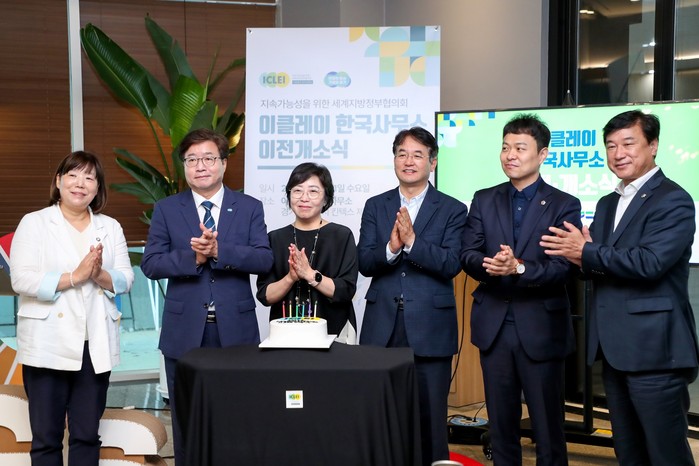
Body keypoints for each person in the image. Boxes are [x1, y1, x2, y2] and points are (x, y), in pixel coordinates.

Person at [540, 110, 699, 465]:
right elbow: (601, 264)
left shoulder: (673, 199)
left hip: (655, 351)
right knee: (628, 451)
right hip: (615, 350)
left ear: (653, 145)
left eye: (628, 143)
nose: (618, 153)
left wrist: (586, 252)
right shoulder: (608, 202)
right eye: (611, 146)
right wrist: (579, 258)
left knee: (666, 453)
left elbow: (650, 263)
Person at [141, 128, 273, 466]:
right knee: (187, 418)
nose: (200, 166)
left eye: (208, 158)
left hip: (235, 330)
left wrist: (218, 251)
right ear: (184, 166)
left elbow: (264, 259)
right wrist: (194, 258)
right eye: (192, 160)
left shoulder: (248, 207)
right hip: (185, 331)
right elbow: (151, 264)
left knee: (236, 413)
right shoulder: (167, 209)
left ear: (224, 163)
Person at [460, 114, 582, 465]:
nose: (510, 155)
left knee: (547, 427)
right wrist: (492, 265)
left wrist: (520, 268)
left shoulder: (564, 204)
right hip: (494, 325)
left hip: (541, 325)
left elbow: (564, 268)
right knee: (501, 426)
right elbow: (468, 253)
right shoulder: (484, 199)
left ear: (542, 154)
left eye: (520, 148)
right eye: (505, 147)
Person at [10, 151, 134, 465]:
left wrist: (99, 274)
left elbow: (126, 278)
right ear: (58, 181)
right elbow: (21, 279)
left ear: (97, 187)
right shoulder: (34, 223)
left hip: (94, 346)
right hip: (47, 342)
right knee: (46, 438)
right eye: (73, 175)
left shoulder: (110, 227)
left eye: (89, 177)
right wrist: (75, 277)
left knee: (86, 434)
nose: (80, 183)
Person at [357, 126, 468, 465]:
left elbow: (451, 263)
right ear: (394, 160)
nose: (409, 161)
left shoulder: (452, 209)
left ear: (432, 162)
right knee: (380, 413)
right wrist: (391, 248)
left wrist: (413, 243)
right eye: (402, 154)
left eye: (418, 155)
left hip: (430, 327)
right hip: (382, 324)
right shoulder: (376, 205)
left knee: (431, 418)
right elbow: (365, 262)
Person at [256, 162, 358, 342]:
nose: (304, 198)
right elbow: (265, 296)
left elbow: (346, 290)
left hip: (335, 331)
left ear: (326, 198)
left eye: (313, 191)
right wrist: (290, 278)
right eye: (297, 191)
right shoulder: (275, 238)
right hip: (286, 336)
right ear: (289, 196)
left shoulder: (342, 235)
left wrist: (310, 275)